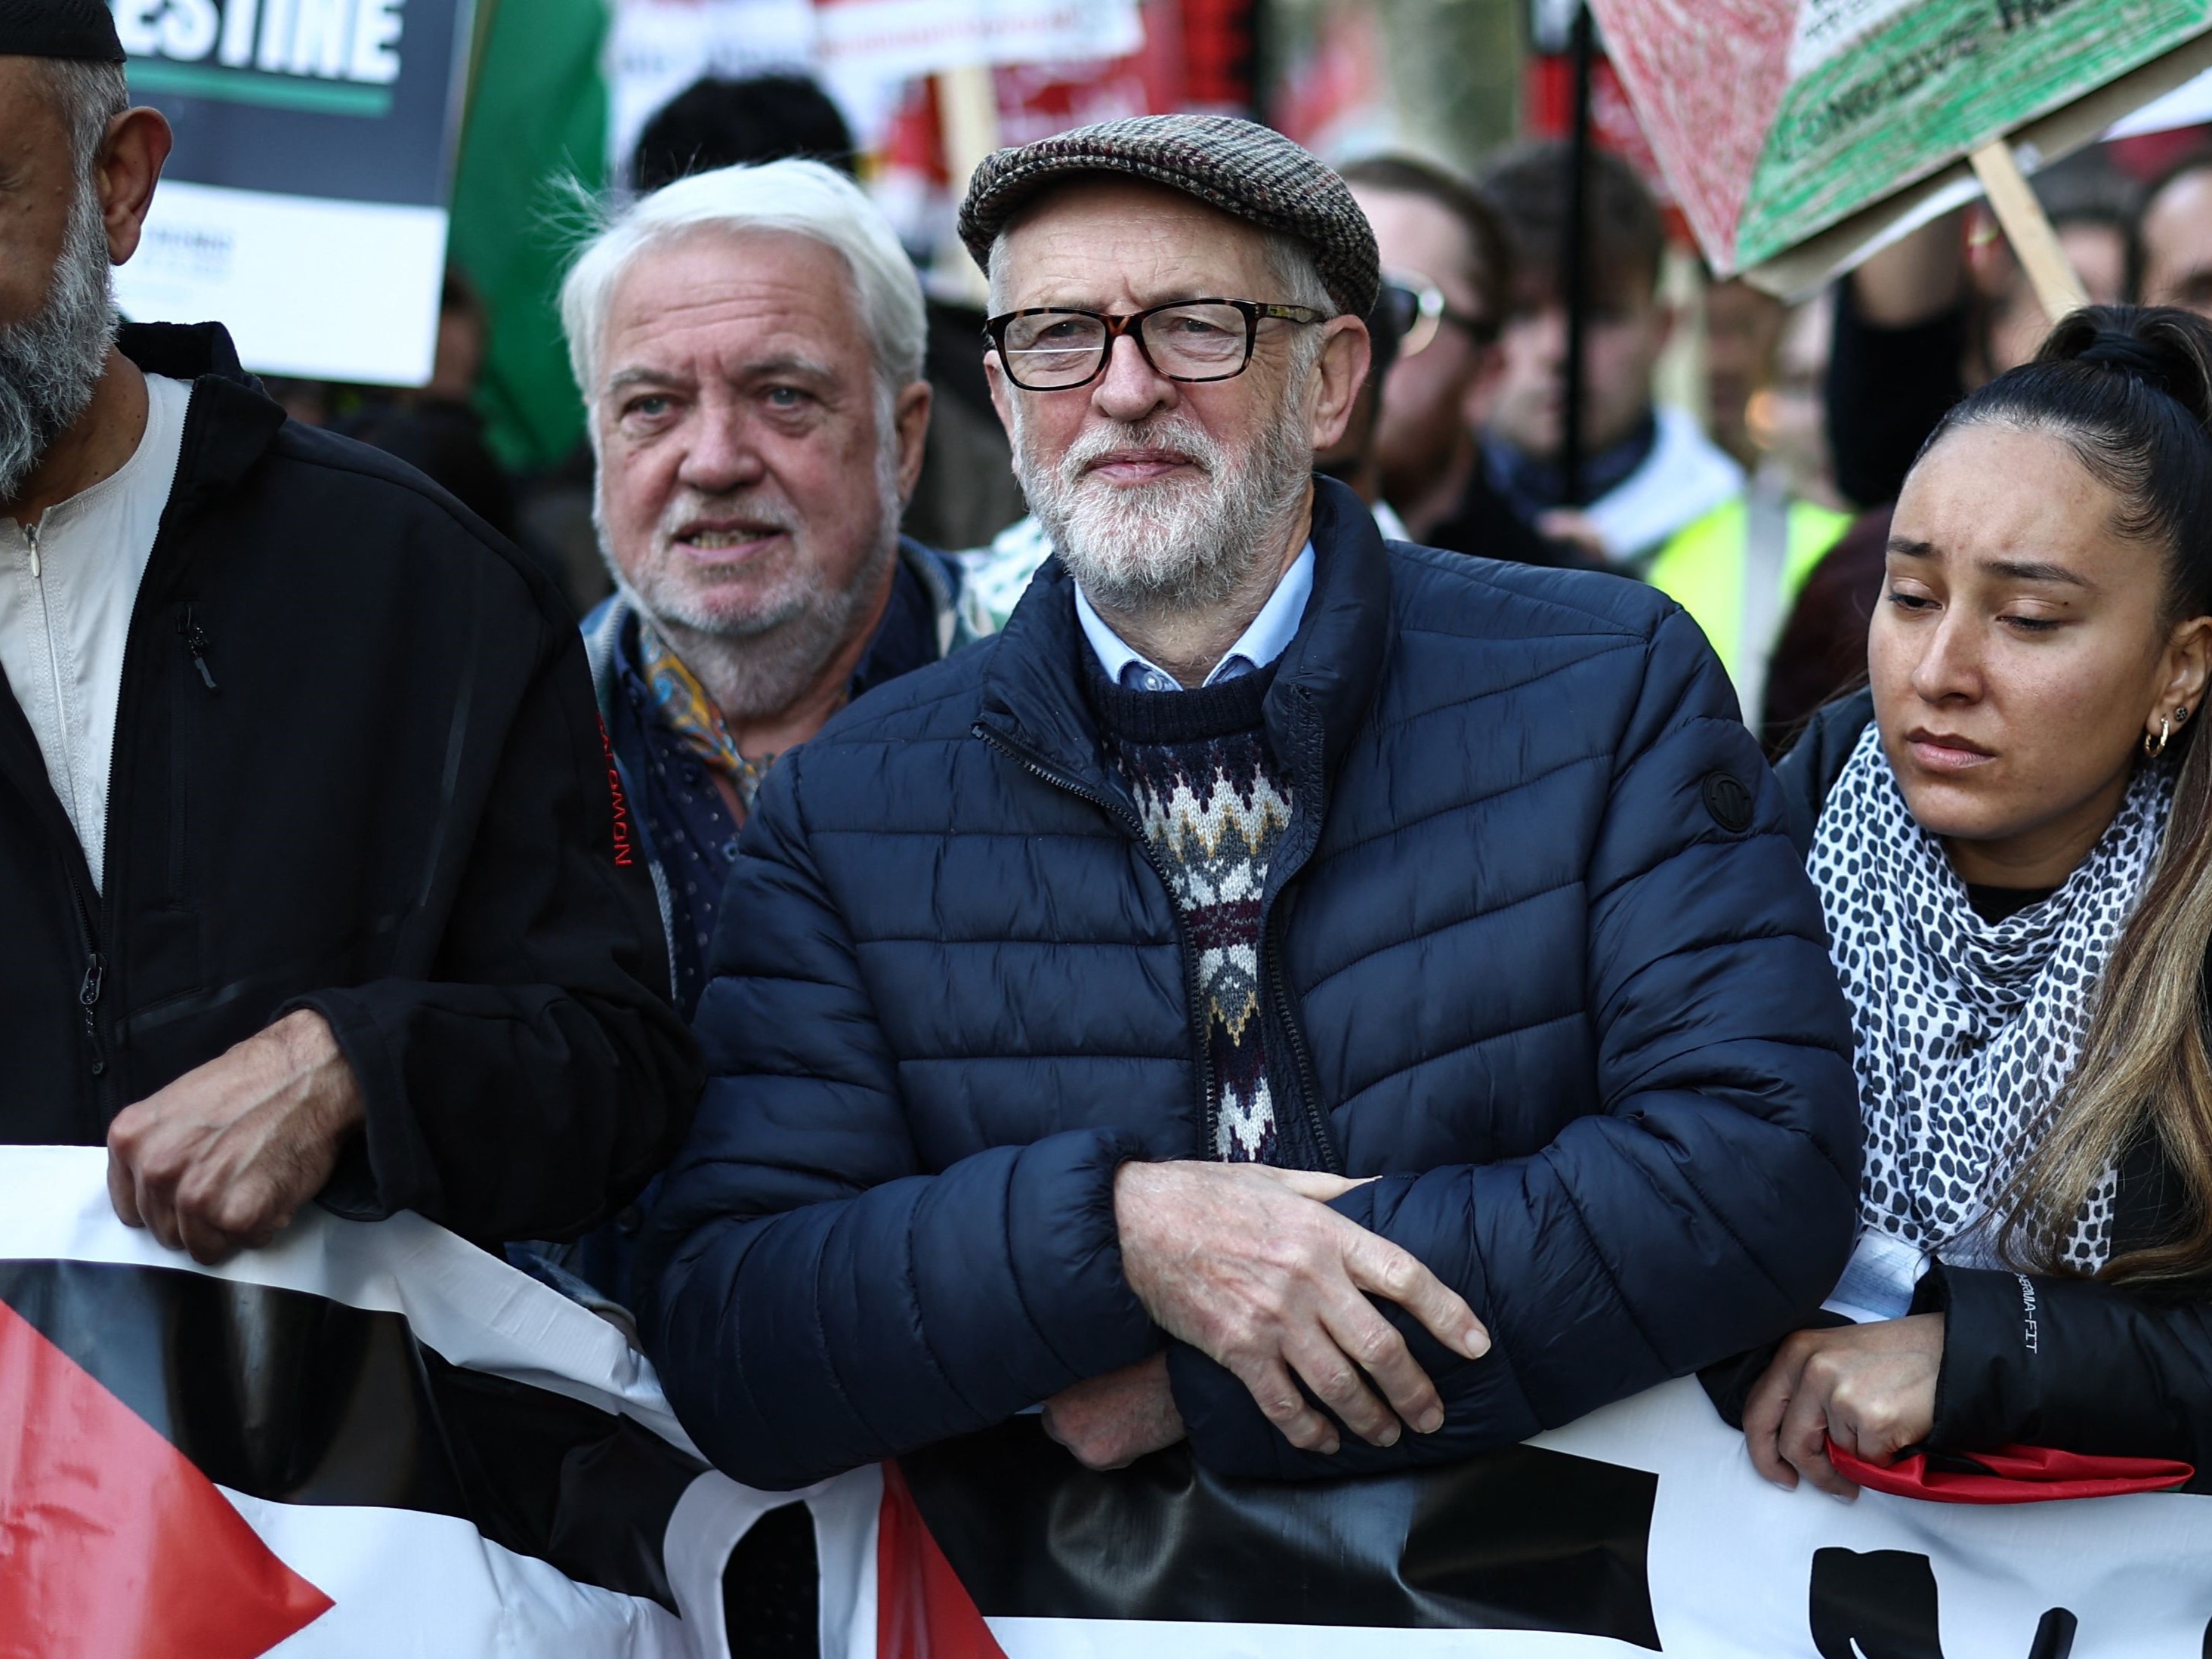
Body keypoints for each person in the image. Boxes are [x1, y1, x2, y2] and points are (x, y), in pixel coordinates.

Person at [639, 113, 1859, 1493]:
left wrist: (1212, 1369)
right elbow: (737, 1327)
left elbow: (1753, 1167)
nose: (1122, 389)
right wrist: (1118, 1238)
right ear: (1000, 393)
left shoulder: (1602, 682)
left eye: (1194, 325)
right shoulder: (851, 804)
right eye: (1058, 337)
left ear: (1333, 380)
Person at [0, 5, 700, 1260]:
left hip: (323, 1449)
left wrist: (350, 1068)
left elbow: (613, 1069)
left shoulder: (421, 580)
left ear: (120, 183)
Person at [1742, 305, 2212, 1494]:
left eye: (2030, 619)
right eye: (1910, 597)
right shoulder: (1755, 844)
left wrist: (1988, 1352)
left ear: (2181, 666)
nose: (1942, 672)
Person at [1479, 141, 1846, 713]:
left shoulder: (1801, 553)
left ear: (1665, 327)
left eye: (1597, 313)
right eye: (1521, 312)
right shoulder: (1388, 534)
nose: (1557, 350)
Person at [1337, 154, 1576, 567]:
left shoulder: (1561, 604)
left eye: (1395, 309)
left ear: (1485, 375)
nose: (1342, 342)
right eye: (1318, 297)